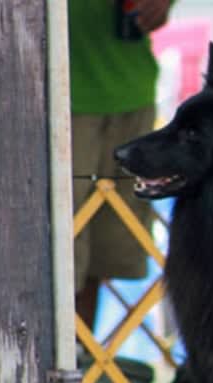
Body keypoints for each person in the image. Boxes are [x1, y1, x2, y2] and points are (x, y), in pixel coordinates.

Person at [69, 0, 174, 329]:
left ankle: (81, 364)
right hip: (54, 93)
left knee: (101, 254)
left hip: (131, 90)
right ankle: (68, 364)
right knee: (58, 251)